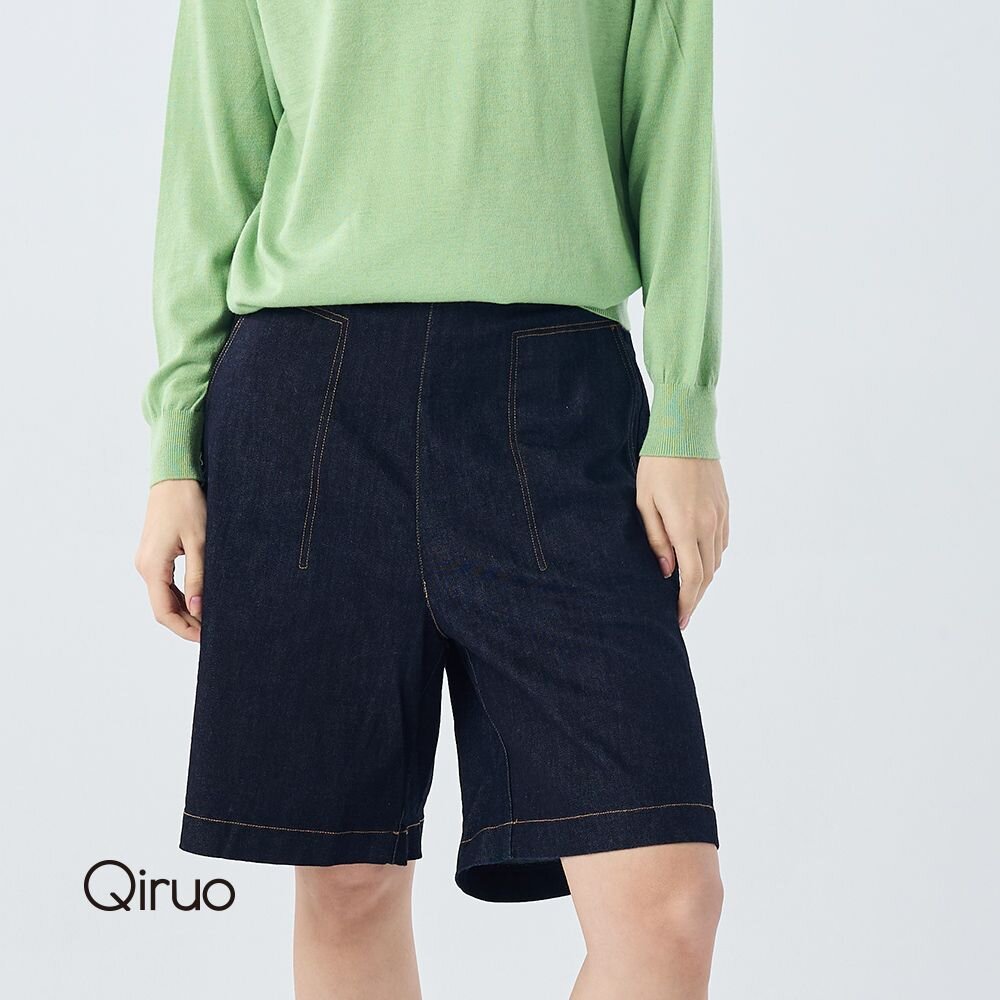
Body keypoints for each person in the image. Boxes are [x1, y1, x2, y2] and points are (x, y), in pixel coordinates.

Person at [134, 1, 729, 996]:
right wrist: (172, 449)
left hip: (558, 395)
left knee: (666, 903)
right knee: (348, 883)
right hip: (305, 394)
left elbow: (672, 120)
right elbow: (211, 156)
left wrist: (686, 408)